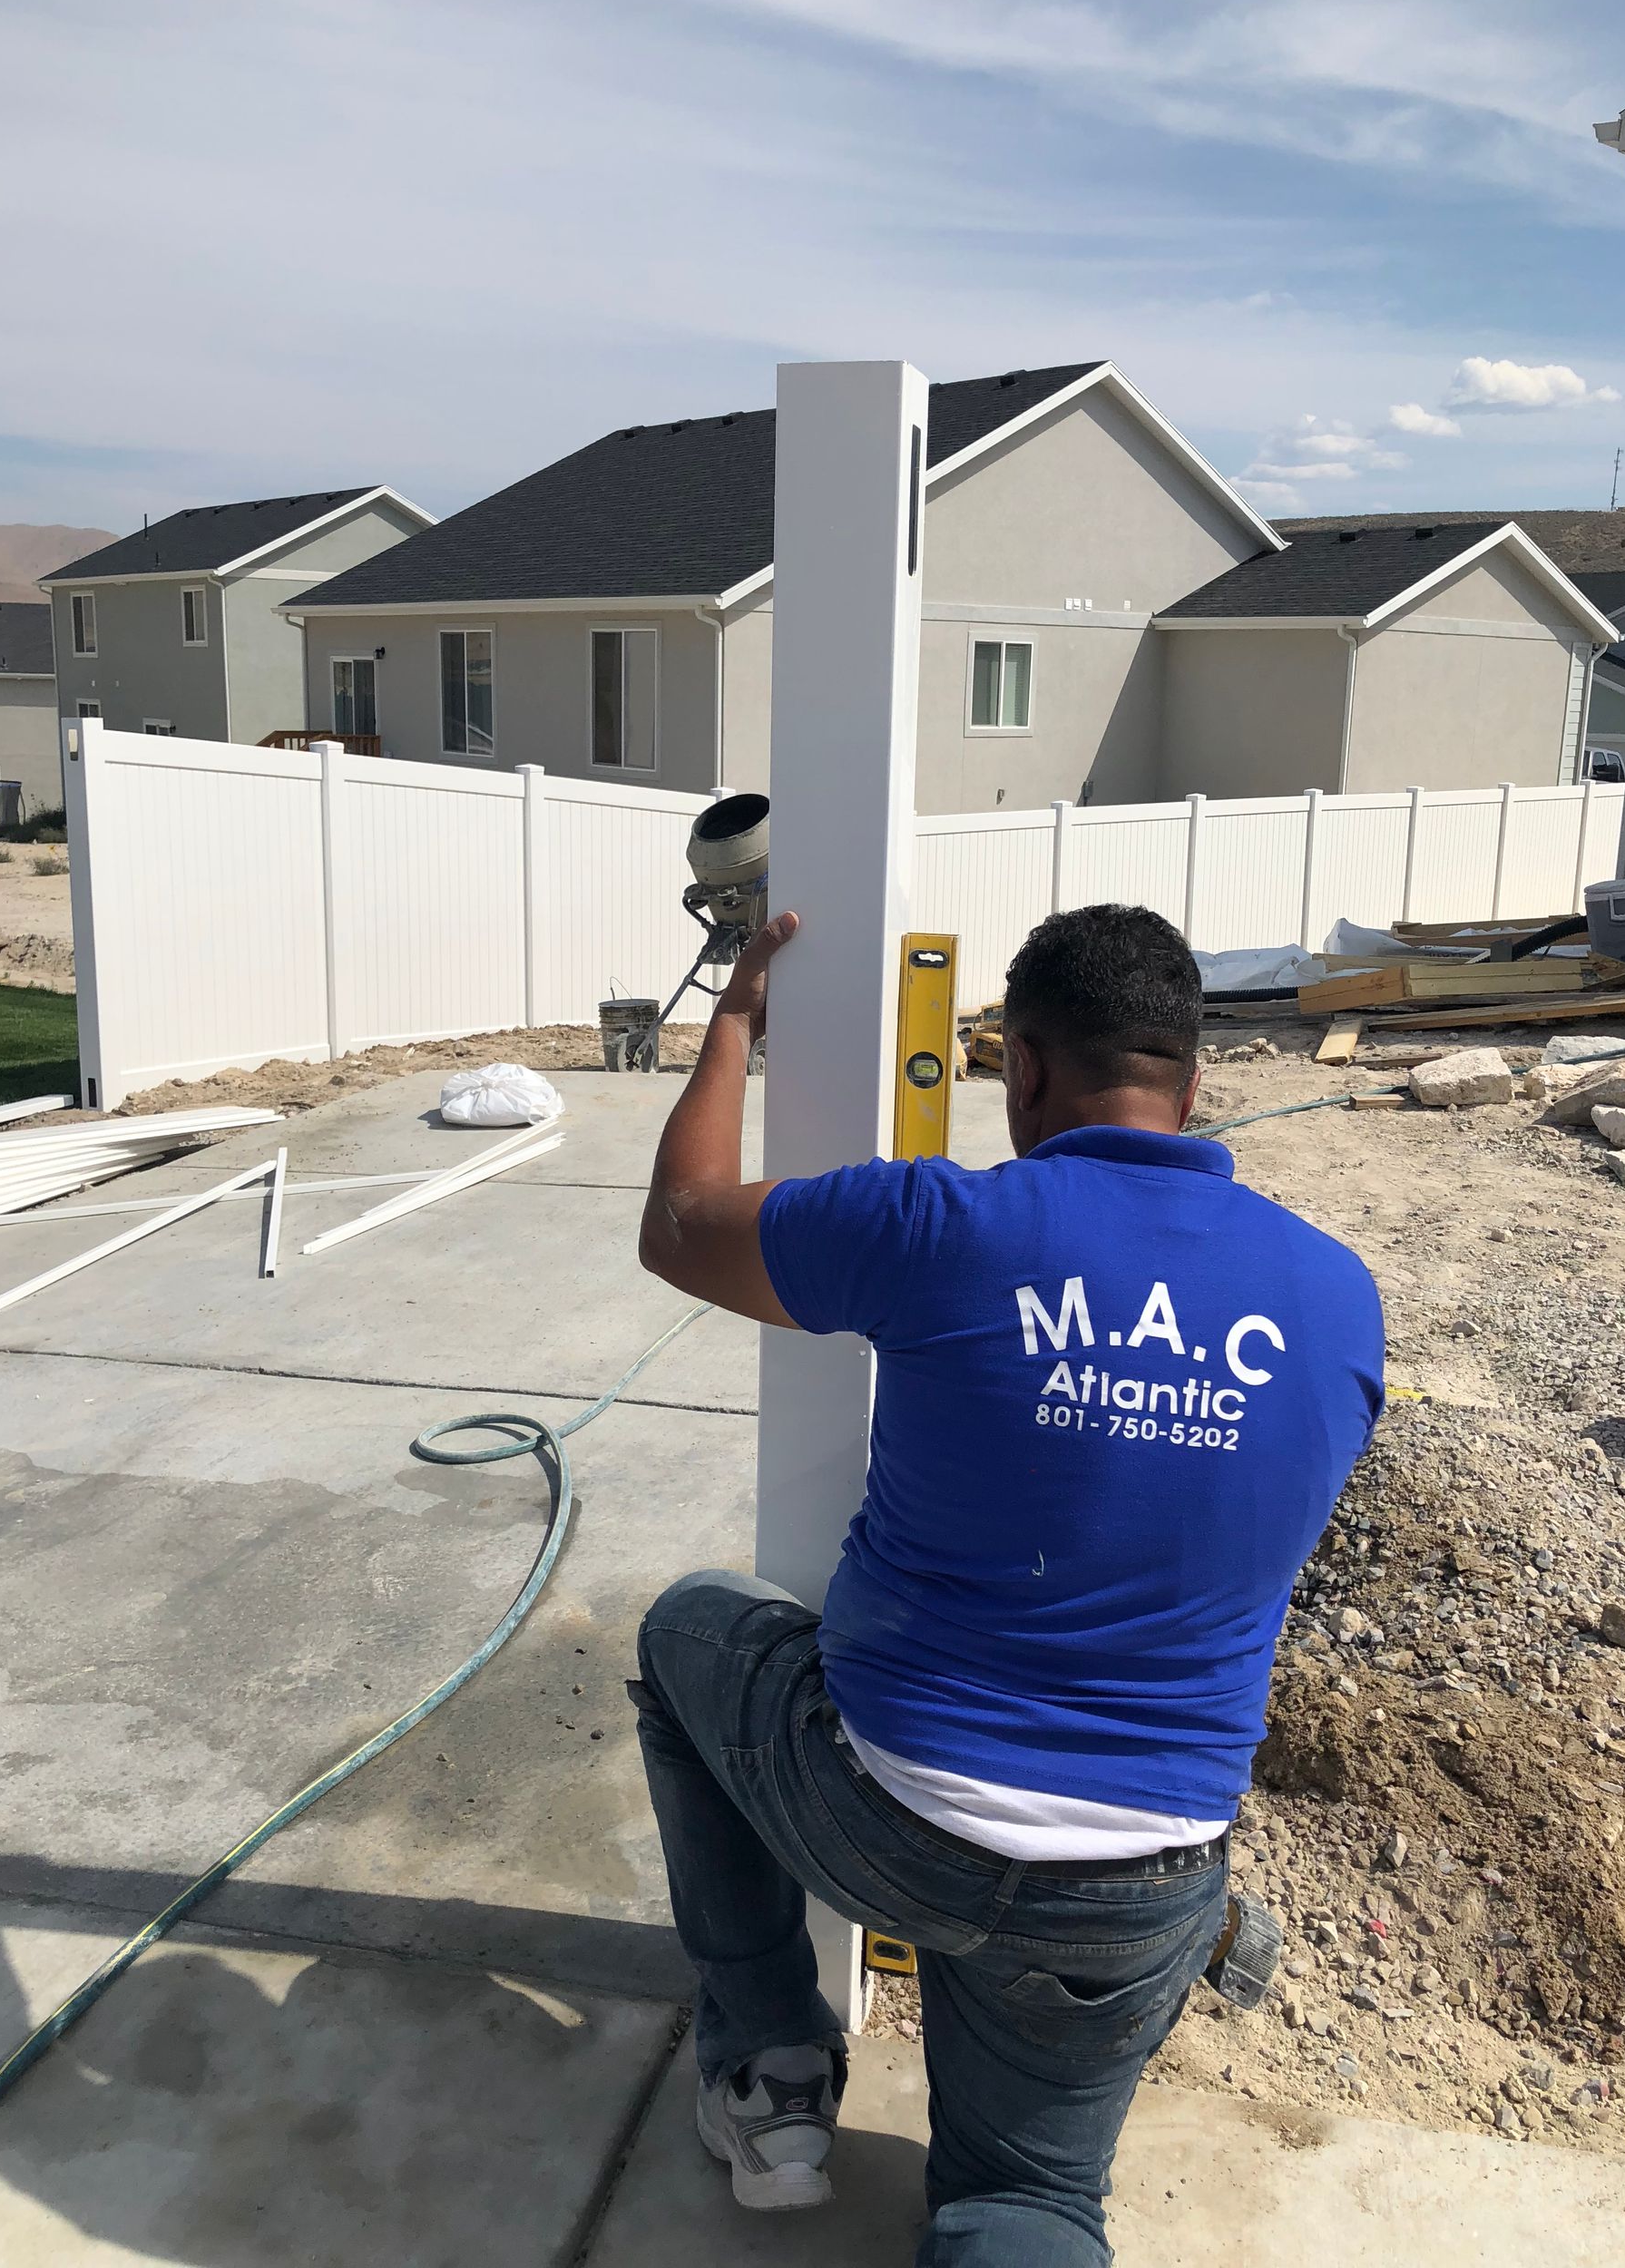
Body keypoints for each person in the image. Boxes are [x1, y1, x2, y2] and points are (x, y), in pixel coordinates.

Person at [631, 901, 1384, 2265]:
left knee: (691, 1633)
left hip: (894, 1813)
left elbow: (681, 1226)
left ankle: (770, 2073)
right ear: (1193, 1079)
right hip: (1142, 1879)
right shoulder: (1337, 1301)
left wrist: (734, 1025)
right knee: (1025, 2205)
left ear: (1020, 1071)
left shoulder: (944, 1226)